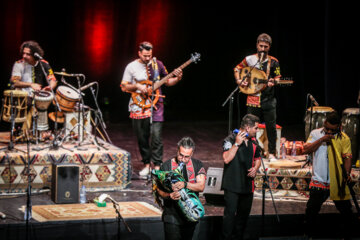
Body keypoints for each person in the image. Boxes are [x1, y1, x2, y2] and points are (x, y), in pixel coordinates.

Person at [121, 41, 183, 177]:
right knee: (142, 137)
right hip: (139, 106)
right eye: (145, 56)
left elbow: (168, 81)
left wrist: (177, 78)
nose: (147, 58)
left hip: (156, 106)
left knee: (156, 137)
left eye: (149, 55)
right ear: (139, 53)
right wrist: (137, 86)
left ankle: (157, 165)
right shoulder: (131, 67)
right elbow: (124, 86)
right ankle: (146, 165)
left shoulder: (157, 64)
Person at [303, 111, 355, 238]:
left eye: (333, 130)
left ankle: (348, 234)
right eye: (327, 129)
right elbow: (307, 149)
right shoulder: (315, 133)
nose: (330, 133)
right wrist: (321, 140)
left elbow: (347, 158)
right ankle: (309, 234)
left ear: (339, 127)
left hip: (336, 180)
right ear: (324, 123)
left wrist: (346, 174)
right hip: (319, 179)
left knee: (346, 210)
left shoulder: (344, 138)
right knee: (311, 210)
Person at [234, 33, 281, 161]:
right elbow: (237, 68)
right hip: (253, 98)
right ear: (257, 45)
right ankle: (249, 152)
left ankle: (271, 153)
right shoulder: (249, 59)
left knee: (271, 127)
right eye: (261, 46)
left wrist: (273, 82)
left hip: (268, 99)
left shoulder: (274, 62)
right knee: (249, 126)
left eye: (266, 46)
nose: (263, 49)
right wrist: (239, 81)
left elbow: (278, 77)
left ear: (269, 47)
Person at [155, 137, 206, 240]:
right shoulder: (166, 166)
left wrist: (185, 184)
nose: (183, 159)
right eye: (181, 155)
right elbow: (158, 190)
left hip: (190, 214)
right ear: (177, 150)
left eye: (187, 157)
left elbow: (201, 187)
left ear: (192, 154)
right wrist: (169, 195)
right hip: (171, 215)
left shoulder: (197, 165)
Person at [221, 114, 262, 240]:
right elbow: (226, 159)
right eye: (256, 128)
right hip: (233, 185)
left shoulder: (254, 141)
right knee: (230, 217)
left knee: (243, 218)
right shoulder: (230, 139)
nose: (258, 130)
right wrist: (237, 144)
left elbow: (258, 158)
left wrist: (255, 168)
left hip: (247, 185)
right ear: (248, 128)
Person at [10, 40, 57, 130]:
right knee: (28, 102)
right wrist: (31, 84)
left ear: (35, 55)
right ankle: (21, 130)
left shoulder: (44, 63)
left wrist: (50, 87)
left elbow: (53, 79)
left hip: (38, 95)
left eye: (28, 54)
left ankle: (45, 131)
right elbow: (14, 82)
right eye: (23, 53)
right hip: (23, 96)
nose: (24, 56)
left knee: (53, 100)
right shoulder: (19, 64)